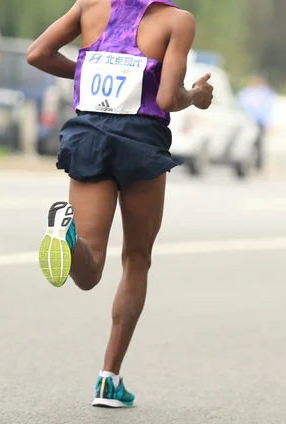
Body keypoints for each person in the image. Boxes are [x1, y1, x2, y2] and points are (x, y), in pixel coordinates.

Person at [27, 0, 213, 408]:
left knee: (89, 267)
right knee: (136, 258)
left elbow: (37, 53)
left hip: (89, 133)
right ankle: (109, 379)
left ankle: (65, 234)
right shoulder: (177, 21)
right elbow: (166, 98)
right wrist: (196, 96)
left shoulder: (88, 6)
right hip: (140, 143)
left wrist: (86, 68)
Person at [237, 74, 275, 171]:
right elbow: (242, 104)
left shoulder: (266, 94)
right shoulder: (246, 92)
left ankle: (258, 166)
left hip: (260, 122)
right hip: (246, 121)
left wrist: (267, 122)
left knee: (259, 144)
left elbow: (268, 109)